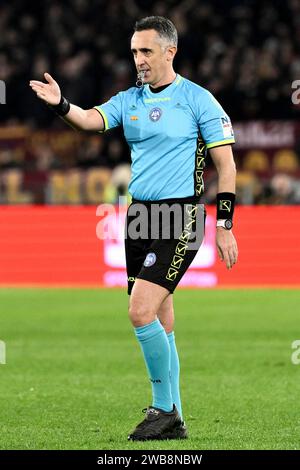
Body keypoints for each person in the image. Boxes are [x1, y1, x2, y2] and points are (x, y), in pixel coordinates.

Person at [30, 16, 238, 441]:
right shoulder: (129, 100)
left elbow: (226, 165)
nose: (138, 60)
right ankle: (174, 415)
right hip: (139, 217)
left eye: (146, 51)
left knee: (140, 310)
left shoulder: (199, 100)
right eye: (134, 52)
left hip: (180, 216)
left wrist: (225, 225)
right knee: (160, 316)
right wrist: (60, 104)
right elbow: (89, 120)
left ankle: (163, 408)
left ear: (169, 51)